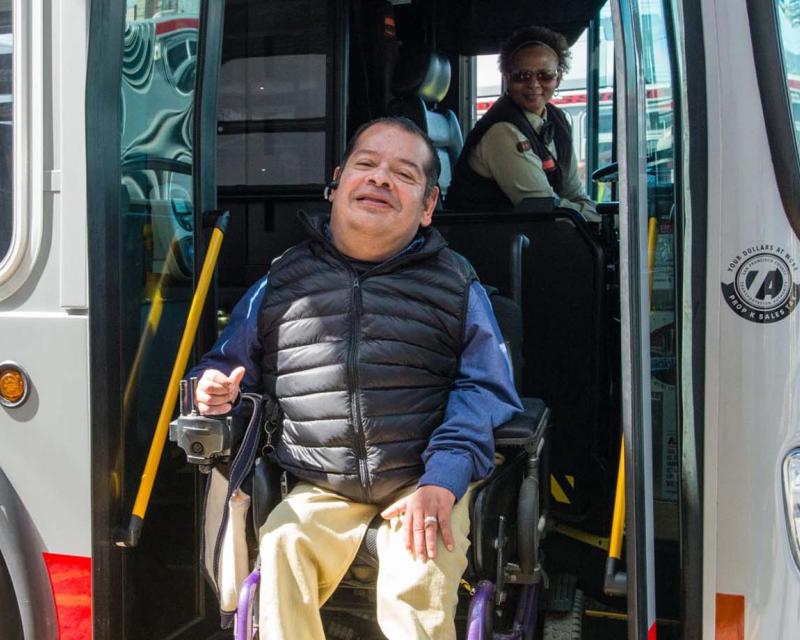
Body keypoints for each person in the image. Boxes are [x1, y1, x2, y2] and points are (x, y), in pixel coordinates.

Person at [191, 117, 522, 640]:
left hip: (422, 480)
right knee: (282, 545)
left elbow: (487, 388)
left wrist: (444, 478)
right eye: (366, 165)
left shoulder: (456, 282)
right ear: (337, 182)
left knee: (418, 578)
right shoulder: (282, 280)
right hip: (322, 481)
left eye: (404, 174)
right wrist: (212, 390)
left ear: (428, 206)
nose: (381, 179)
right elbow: (221, 364)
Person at [446, 26, 597, 219]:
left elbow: (574, 193)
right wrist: (598, 217)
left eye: (545, 75)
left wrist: (600, 216)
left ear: (558, 78)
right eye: (521, 76)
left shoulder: (557, 120)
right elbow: (542, 207)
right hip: (491, 240)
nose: (533, 84)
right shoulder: (501, 130)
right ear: (507, 78)